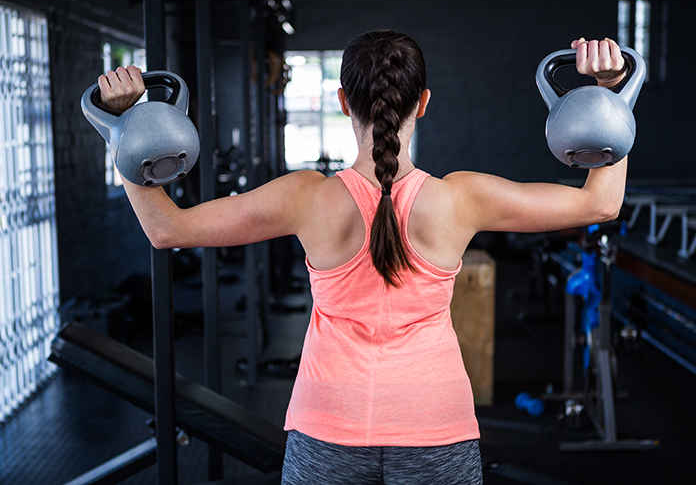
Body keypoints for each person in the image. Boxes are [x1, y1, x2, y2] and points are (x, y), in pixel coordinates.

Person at [98, 31, 627, 485]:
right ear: (423, 102)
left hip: (327, 427)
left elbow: (166, 230)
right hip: (435, 428)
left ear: (343, 101)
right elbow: (600, 203)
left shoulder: (306, 198)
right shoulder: (460, 198)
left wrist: (126, 134)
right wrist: (611, 96)